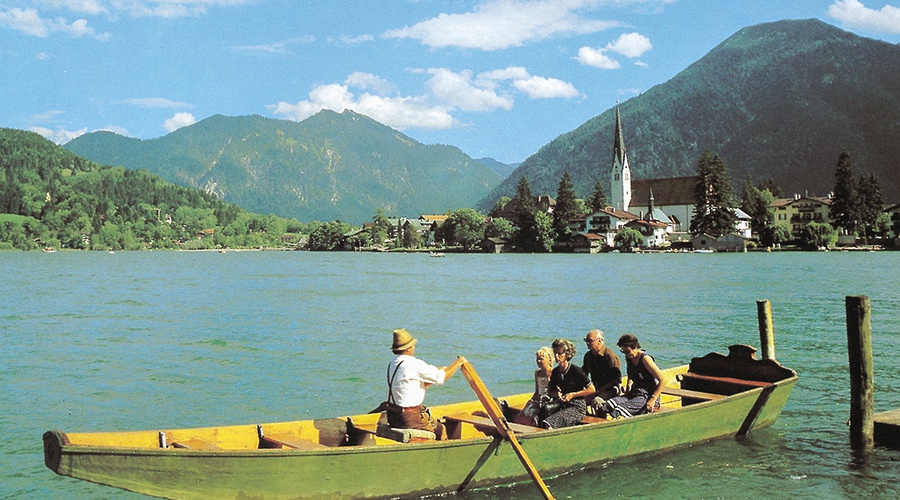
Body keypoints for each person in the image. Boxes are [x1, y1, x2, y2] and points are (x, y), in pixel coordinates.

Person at [385, 328, 467, 440]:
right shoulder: (414, 364)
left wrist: (438, 373)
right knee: (441, 429)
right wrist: (458, 363)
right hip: (409, 418)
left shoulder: (392, 363)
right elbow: (441, 378)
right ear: (408, 348)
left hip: (393, 416)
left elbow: (411, 386)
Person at [600, 334, 664, 419]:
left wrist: (653, 399)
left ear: (635, 347)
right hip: (634, 392)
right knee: (608, 404)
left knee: (619, 411)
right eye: (623, 351)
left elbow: (662, 379)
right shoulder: (630, 358)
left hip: (647, 395)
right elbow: (630, 375)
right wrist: (628, 386)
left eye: (627, 351)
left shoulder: (645, 359)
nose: (626, 354)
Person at [540, 338, 595, 429]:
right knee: (542, 413)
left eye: (560, 354)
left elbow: (591, 389)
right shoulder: (555, 372)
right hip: (563, 404)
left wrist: (573, 395)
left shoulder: (576, 370)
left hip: (577, 407)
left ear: (567, 355)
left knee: (549, 423)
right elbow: (550, 391)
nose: (557, 356)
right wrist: (556, 394)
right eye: (555, 353)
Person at [581, 329, 622, 412]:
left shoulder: (610, 357)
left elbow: (614, 381)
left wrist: (598, 391)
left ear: (600, 341)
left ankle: (602, 419)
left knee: (597, 401)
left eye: (590, 341)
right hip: (596, 387)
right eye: (586, 340)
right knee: (579, 400)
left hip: (610, 389)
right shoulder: (588, 356)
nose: (587, 343)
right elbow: (583, 374)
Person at [514, 346, 553, 426]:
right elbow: (537, 390)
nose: (538, 361)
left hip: (549, 400)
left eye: (541, 359)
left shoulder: (553, 372)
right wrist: (531, 401)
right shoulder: (537, 373)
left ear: (549, 360)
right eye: (537, 359)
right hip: (539, 399)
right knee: (521, 416)